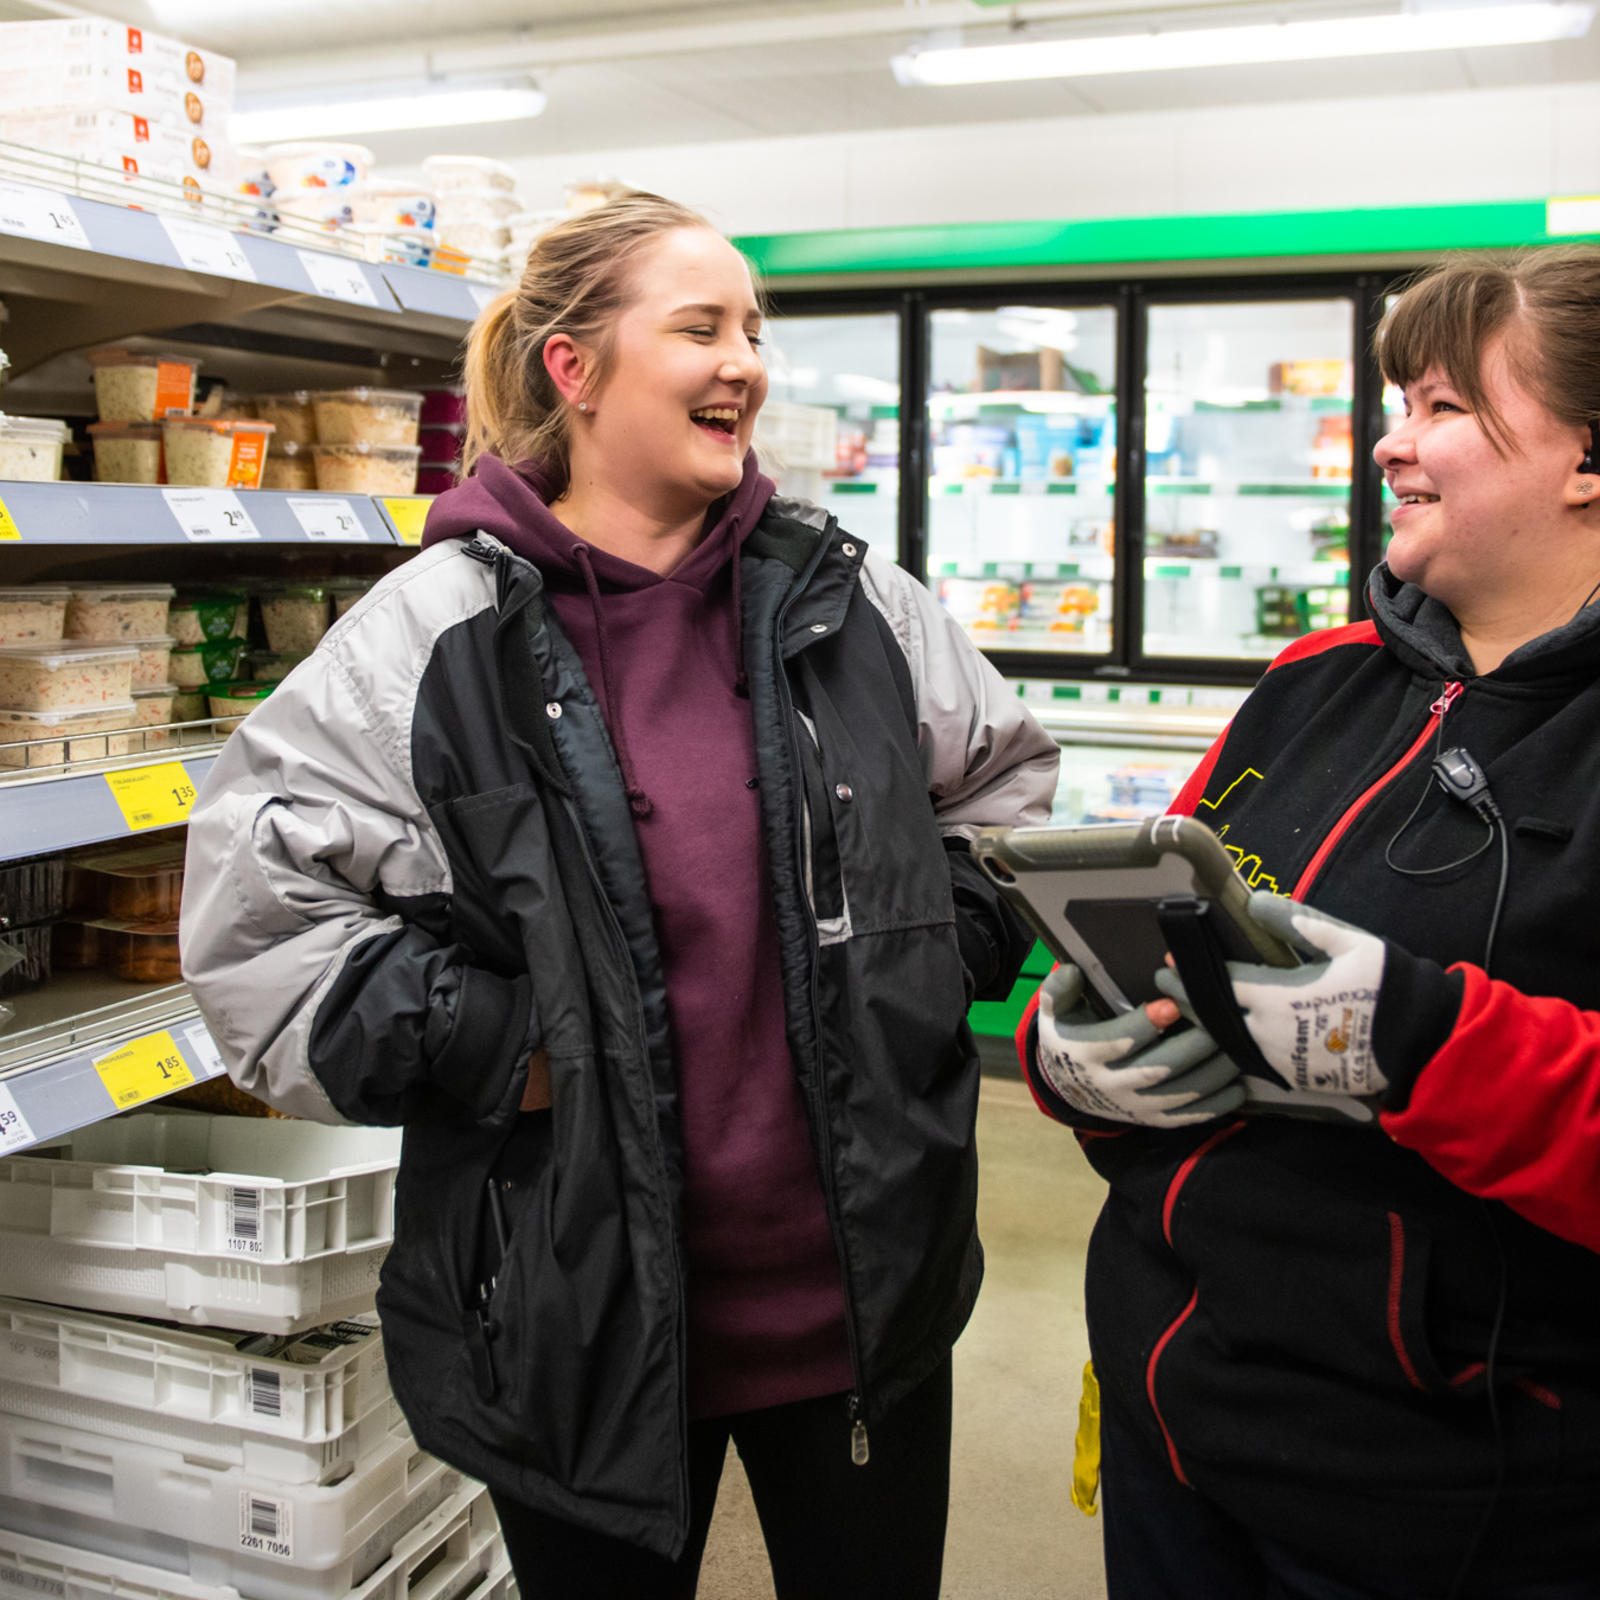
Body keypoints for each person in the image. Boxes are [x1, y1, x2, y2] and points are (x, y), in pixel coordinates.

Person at [179, 190, 1059, 1599]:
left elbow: (1000, 791)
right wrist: (504, 1047)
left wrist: (924, 962)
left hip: (863, 1294)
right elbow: (260, 922)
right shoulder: (435, 635)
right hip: (577, 1310)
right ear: (573, 368)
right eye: (701, 328)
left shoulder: (852, 603)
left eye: (754, 330)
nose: (744, 364)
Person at [1020, 246, 1600, 1600]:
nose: (1392, 443)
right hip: (1179, 1427)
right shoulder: (1312, 680)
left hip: (1451, 1500)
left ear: (1587, 457)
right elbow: (1158, 935)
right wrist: (1074, 1058)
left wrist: (1414, 1038)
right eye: (1399, 405)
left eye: (1444, 407)